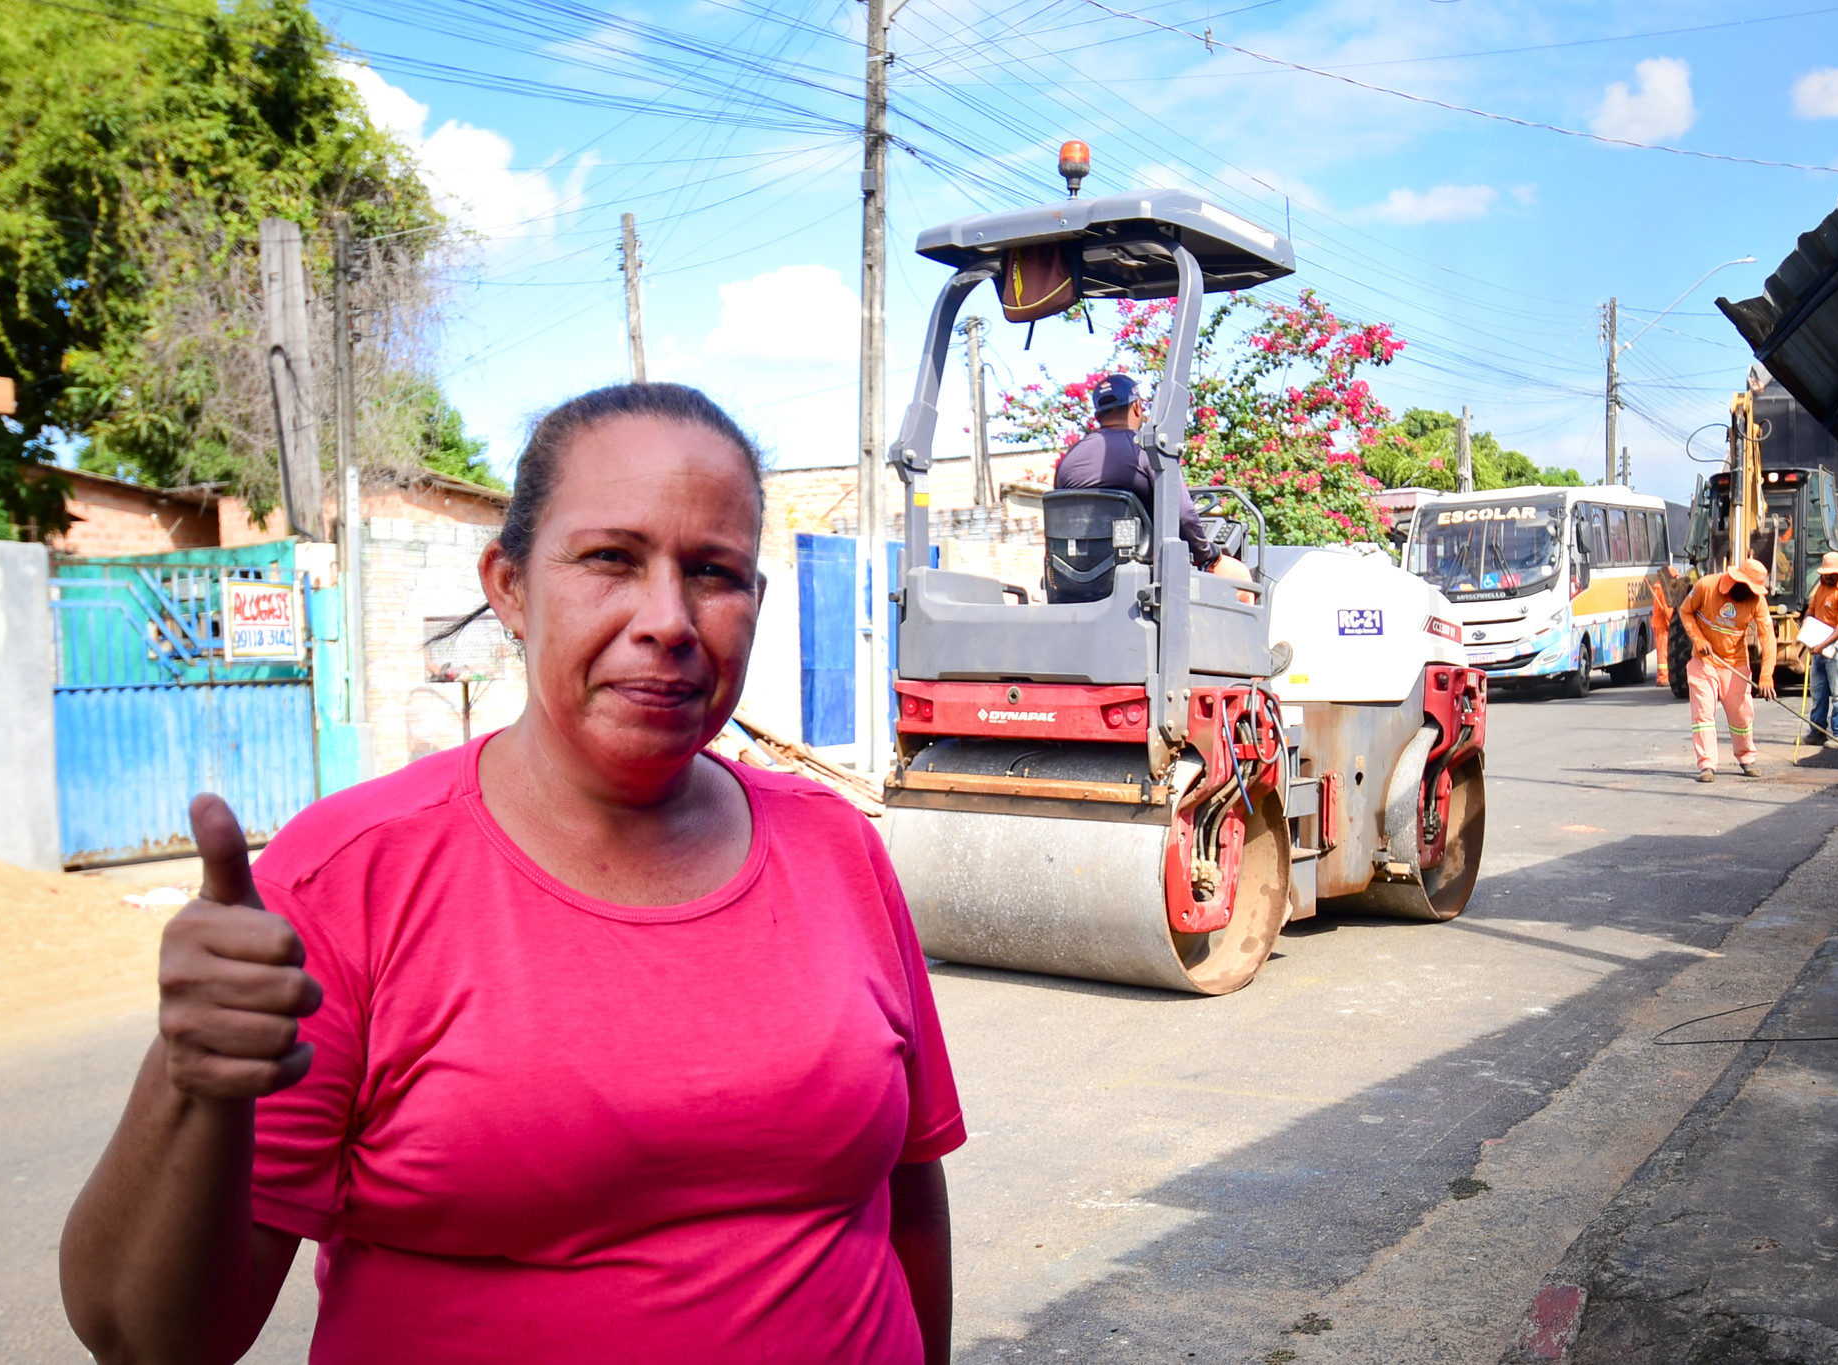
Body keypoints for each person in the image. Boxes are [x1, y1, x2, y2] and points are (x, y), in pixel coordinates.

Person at [60, 384, 965, 1365]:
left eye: (714, 572)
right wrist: (188, 1079)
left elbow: (906, 1194)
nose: (667, 618)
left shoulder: (835, 850)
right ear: (510, 587)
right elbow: (148, 1338)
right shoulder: (347, 879)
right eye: (610, 559)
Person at [1054, 374, 1222, 569]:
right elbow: (1184, 514)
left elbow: (1058, 524)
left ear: (1097, 415)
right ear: (1136, 407)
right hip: (1144, 575)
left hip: (1076, 576)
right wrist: (1207, 552)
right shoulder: (1147, 452)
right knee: (1239, 576)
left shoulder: (1069, 459)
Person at [1677, 557, 1778, 783]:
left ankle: (1746, 758)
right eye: (1749, 588)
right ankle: (1707, 765)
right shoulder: (1706, 586)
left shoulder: (1757, 600)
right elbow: (1685, 612)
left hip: (1735, 663)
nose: (1752, 593)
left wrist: (1766, 675)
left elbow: (1768, 637)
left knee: (1742, 714)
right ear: (1737, 581)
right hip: (1704, 660)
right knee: (1703, 713)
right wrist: (1699, 639)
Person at [1803, 550, 1838, 747]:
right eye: (1824, 574)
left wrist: (1822, 645)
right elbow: (1812, 610)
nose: (1826, 577)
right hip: (1819, 646)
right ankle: (1817, 731)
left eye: (1830, 574)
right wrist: (1806, 624)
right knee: (1818, 692)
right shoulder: (1821, 588)